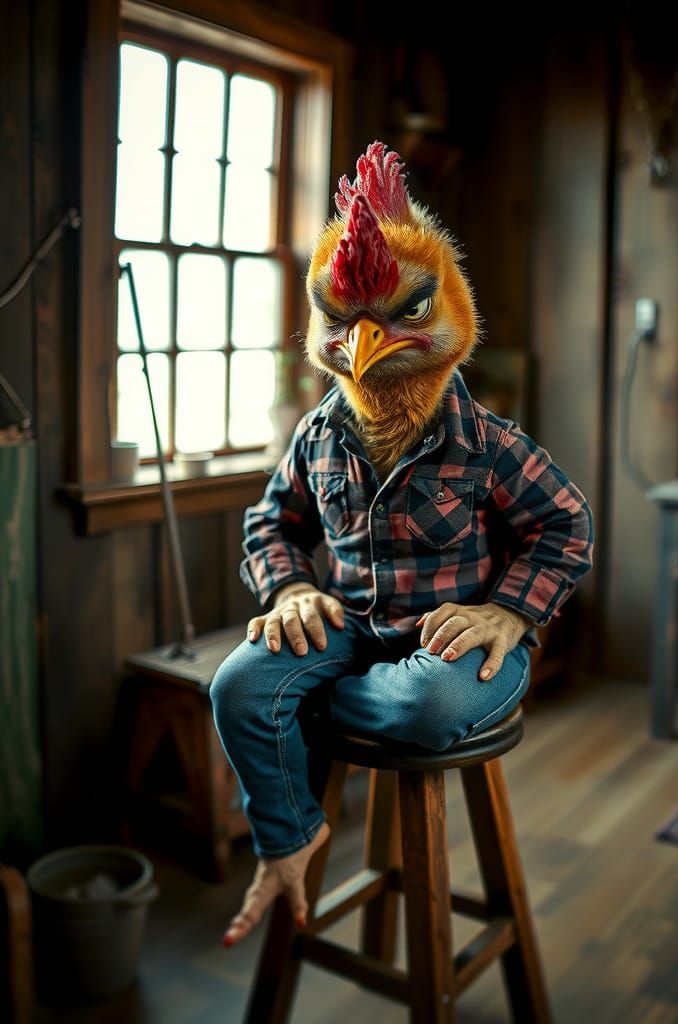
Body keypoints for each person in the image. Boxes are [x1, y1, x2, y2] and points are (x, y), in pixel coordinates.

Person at [210, 142, 594, 948]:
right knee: (238, 686)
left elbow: (567, 523)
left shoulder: (484, 442)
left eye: (404, 313)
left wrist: (508, 613)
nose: (362, 343)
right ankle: (291, 837)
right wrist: (290, 591)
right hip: (350, 634)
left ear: (449, 305)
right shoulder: (318, 435)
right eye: (340, 320)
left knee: (424, 706)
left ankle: (307, 716)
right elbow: (270, 523)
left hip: (456, 649)